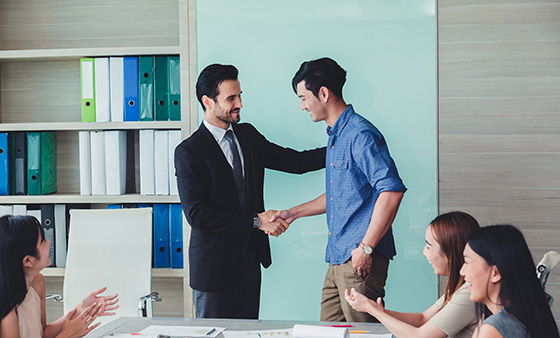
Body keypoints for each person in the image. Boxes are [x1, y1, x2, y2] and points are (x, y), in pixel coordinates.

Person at [174, 63, 326, 319]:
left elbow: (296, 162)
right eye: (231, 98)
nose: (240, 104)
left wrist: (340, 146)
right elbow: (198, 215)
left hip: (249, 264)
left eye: (240, 95)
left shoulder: (248, 135)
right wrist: (257, 221)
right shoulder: (189, 152)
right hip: (214, 270)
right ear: (207, 101)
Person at [270, 57, 406, 322]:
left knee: (362, 334)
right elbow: (341, 195)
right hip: (338, 257)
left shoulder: (360, 135)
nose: (301, 106)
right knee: (328, 331)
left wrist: (365, 249)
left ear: (323, 93)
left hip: (358, 259)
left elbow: (391, 190)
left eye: (303, 97)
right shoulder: (336, 136)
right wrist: (293, 213)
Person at [345, 211, 480, 337]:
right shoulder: (459, 287)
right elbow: (422, 318)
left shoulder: (469, 292)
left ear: (450, 252)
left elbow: (419, 336)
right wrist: (376, 309)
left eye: (429, 246)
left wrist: (370, 309)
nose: (424, 252)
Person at [0, 215, 119, 338]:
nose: (49, 242)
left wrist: (80, 308)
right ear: (28, 261)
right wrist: (66, 335)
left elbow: (42, 333)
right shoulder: (8, 313)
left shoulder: (37, 282)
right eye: (43, 241)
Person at [460, 224, 559, 338]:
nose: (462, 271)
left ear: (495, 273)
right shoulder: (533, 317)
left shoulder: (494, 328)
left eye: (467, 262)